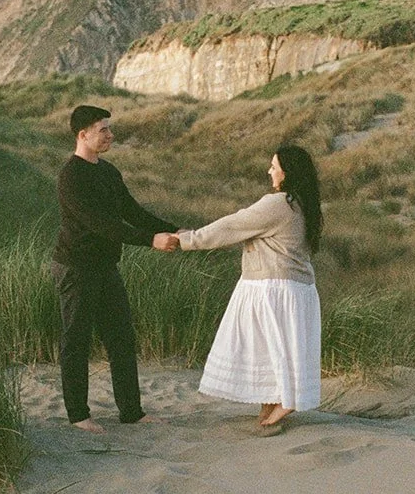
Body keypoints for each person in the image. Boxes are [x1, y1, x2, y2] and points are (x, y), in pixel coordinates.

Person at [53, 104, 181, 433]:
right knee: (76, 341)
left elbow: (131, 211)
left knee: (121, 338)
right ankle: (79, 415)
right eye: (103, 130)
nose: (110, 135)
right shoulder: (70, 177)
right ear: (83, 135)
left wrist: (172, 229)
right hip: (76, 268)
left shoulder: (108, 172)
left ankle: (131, 412)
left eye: (109, 129)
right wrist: (150, 240)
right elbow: (103, 226)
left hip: (106, 267)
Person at [176, 145, 322, 428]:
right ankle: (271, 406)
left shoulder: (280, 203)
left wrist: (186, 239)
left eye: (274, 166)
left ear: (286, 172)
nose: (270, 171)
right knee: (269, 349)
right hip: (291, 288)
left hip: (274, 288)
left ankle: (286, 401)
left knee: (269, 347)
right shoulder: (302, 202)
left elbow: (232, 225)